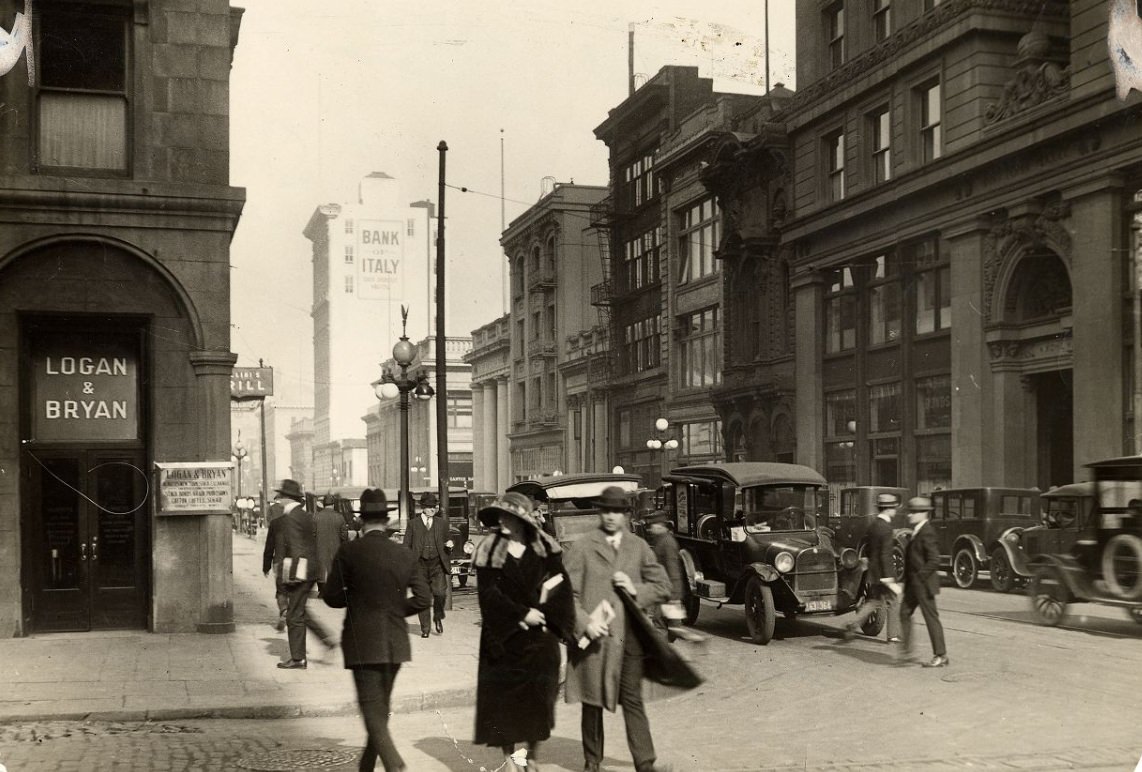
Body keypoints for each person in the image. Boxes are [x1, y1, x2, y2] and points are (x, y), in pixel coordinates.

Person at [564, 486, 672, 772]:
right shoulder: (583, 546)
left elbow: (663, 586)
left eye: (617, 511)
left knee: (633, 700)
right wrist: (586, 622)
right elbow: (566, 596)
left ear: (626, 514)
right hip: (595, 638)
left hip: (630, 640)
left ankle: (645, 763)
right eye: (606, 510)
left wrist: (635, 589)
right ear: (599, 512)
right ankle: (592, 761)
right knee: (592, 699)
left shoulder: (638, 547)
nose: (611, 516)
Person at [323, 489, 431, 772]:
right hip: (395, 641)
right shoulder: (404, 554)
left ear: (362, 522)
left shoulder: (349, 552)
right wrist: (395, 609)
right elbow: (423, 599)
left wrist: (353, 595)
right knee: (380, 708)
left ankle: (395, 764)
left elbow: (332, 597)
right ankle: (366, 766)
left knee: (371, 708)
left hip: (362, 640)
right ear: (386, 522)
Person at [472, 491, 576, 772]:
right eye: (502, 516)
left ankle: (531, 756)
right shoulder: (490, 548)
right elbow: (487, 595)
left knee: (539, 702)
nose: (504, 521)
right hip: (503, 637)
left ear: (523, 521)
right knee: (505, 703)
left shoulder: (544, 547)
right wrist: (521, 614)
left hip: (540, 638)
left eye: (511, 517)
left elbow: (561, 587)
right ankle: (509, 759)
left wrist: (556, 621)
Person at [271, 478, 336, 669]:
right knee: (300, 611)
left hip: (299, 571)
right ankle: (327, 640)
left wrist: (288, 576)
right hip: (311, 569)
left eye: (280, 497)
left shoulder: (290, 518)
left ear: (286, 498)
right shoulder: (306, 515)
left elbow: (296, 547)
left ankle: (298, 658)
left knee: (293, 615)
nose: (279, 500)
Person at [844, 492, 903, 643]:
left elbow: (869, 550)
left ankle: (855, 623)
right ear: (889, 509)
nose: (895, 511)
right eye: (894, 508)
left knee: (874, 601)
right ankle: (893, 635)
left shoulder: (873, 526)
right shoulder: (887, 529)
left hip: (873, 572)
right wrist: (890, 579)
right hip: (884, 574)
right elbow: (886, 556)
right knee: (893, 601)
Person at [638, 509, 703, 643]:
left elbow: (674, 571)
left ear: (660, 526)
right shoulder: (662, 541)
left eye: (652, 526)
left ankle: (668, 656)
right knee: (670, 628)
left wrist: (675, 597)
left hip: (669, 594)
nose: (650, 530)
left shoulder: (667, 543)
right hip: (665, 593)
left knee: (664, 626)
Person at [899, 495, 948, 668]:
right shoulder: (918, 531)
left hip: (923, 584)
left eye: (912, 513)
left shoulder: (927, 532)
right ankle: (906, 652)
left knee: (931, 618)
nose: (909, 516)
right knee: (904, 612)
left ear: (922, 514)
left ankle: (941, 655)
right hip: (913, 585)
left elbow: (934, 560)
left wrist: (920, 577)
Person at [402, 491, 450, 638]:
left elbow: (448, 542)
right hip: (419, 565)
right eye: (429, 506)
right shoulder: (413, 524)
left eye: (434, 506)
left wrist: (450, 545)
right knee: (424, 597)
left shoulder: (441, 523)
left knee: (440, 594)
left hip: (437, 564)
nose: (432, 509)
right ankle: (425, 629)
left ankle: (438, 615)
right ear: (422, 507)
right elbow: (406, 546)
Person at [262, 494, 289, 631]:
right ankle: (292, 613)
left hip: (279, 560)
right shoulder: (299, 517)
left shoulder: (274, 519)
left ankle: (284, 610)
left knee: (281, 590)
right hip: (296, 560)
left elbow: (269, 546)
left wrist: (266, 566)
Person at [314, 493, 348, 595]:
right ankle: (332, 590)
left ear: (323, 504)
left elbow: (312, 534)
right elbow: (344, 536)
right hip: (335, 549)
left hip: (319, 549)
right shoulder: (340, 517)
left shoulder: (316, 517)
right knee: (333, 568)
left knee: (320, 568)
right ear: (333, 504)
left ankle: (321, 590)